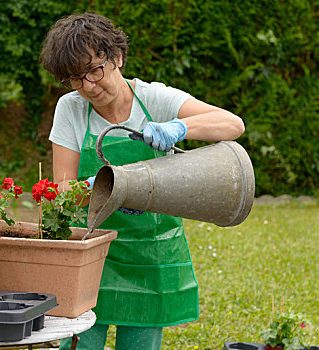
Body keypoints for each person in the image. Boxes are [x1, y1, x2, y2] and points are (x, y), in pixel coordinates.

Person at [39, 12, 244, 350]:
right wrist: (94, 187)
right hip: (93, 250)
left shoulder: (155, 99)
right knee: (80, 344)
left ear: (117, 57)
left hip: (150, 250)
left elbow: (232, 124)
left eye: (94, 70)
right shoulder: (71, 108)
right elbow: (61, 194)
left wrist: (179, 128)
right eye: (75, 78)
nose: (88, 85)